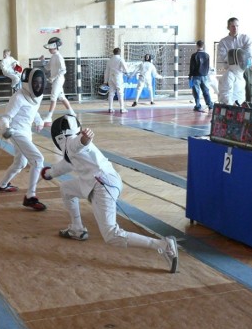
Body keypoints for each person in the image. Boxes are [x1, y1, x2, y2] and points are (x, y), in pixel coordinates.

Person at [41, 115, 179, 273]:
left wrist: (85, 138)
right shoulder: (70, 151)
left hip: (102, 185)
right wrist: (49, 173)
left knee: (111, 235)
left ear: (58, 135)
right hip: (97, 182)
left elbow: (79, 143)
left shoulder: (72, 144)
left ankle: (163, 245)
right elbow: (65, 165)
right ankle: (77, 229)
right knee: (66, 189)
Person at [0, 67, 48, 211]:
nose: (38, 85)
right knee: (38, 160)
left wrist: (39, 120)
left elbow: (34, 111)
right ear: (28, 82)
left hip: (26, 132)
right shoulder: (18, 97)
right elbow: (6, 118)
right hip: (16, 132)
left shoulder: (38, 96)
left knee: (20, 162)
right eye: (35, 82)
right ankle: (30, 197)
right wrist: (5, 128)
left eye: (40, 82)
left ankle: (2, 185)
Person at [39, 37, 76, 125]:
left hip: (58, 80)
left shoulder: (59, 57)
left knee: (53, 98)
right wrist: (43, 60)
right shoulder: (53, 57)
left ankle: (49, 117)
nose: (49, 49)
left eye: (51, 47)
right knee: (62, 97)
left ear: (56, 47)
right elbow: (47, 68)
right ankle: (72, 113)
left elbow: (63, 70)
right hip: (56, 80)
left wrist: (54, 77)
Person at [217, 17, 252, 105]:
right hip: (232, 70)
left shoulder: (245, 38)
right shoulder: (223, 42)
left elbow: (248, 54)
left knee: (248, 87)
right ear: (228, 27)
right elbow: (224, 57)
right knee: (230, 89)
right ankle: (232, 106)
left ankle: (249, 105)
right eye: (233, 26)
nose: (235, 28)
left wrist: (233, 56)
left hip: (245, 68)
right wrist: (239, 55)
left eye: (237, 26)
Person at [189, 40, 214, 113]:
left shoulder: (194, 55)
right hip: (205, 76)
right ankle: (210, 105)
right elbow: (208, 66)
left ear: (197, 45)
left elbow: (192, 67)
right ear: (203, 46)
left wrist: (190, 75)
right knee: (206, 91)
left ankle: (198, 106)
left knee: (196, 92)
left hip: (196, 75)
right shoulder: (207, 55)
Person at [103, 47, 129, 113]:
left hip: (110, 78)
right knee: (120, 93)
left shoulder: (110, 60)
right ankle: (122, 108)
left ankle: (110, 108)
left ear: (113, 52)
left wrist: (105, 81)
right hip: (118, 77)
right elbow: (126, 69)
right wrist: (127, 73)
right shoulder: (120, 59)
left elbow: (106, 71)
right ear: (119, 52)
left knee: (111, 93)